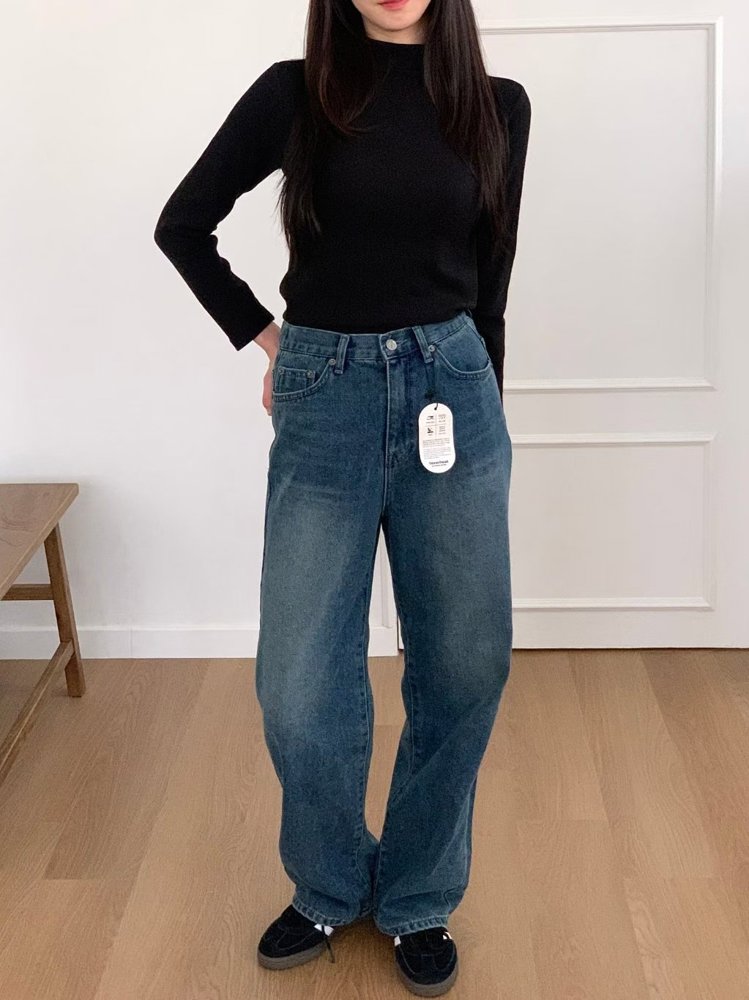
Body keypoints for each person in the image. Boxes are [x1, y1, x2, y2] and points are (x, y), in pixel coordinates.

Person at [154, 0, 531, 994]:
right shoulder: (296, 93)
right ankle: (326, 880)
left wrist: (482, 396)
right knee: (296, 680)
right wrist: (270, 340)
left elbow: (491, 276)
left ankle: (416, 894)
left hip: (452, 386)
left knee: (465, 665)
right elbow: (181, 225)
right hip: (325, 391)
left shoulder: (497, 105)